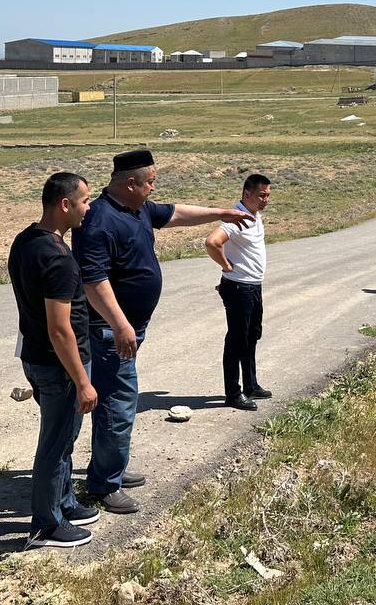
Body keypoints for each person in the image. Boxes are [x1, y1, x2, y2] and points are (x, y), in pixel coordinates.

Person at [74, 148, 253, 515]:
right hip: (110, 332)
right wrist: (120, 324)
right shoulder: (99, 221)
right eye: (150, 182)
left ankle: (111, 467)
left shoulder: (137, 208)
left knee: (119, 402)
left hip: (126, 329)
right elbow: (93, 281)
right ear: (130, 183)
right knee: (117, 404)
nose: (154, 188)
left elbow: (176, 213)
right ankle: (104, 484)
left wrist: (222, 213)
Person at [8, 171, 99, 550]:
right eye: (84, 201)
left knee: (63, 439)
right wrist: (82, 381)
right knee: (55, 444)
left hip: (36, 358)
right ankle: (46, 526)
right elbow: (60, 329)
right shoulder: (58, 258)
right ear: (65, 205)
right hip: (59, 365)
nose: (88, 208)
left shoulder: (25, 241)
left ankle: (64, 503)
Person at [205, 174, 272, 411]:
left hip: (252, 285)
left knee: (251, 336)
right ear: (247, 194)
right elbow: (212, 242)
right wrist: (226, 267)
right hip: (239, 287)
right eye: (261, 195)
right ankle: (233, 393)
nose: (265, 200)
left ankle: (250, 385)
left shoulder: (254, 215)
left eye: (268, 195)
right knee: (236, 340)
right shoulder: (236, 219)